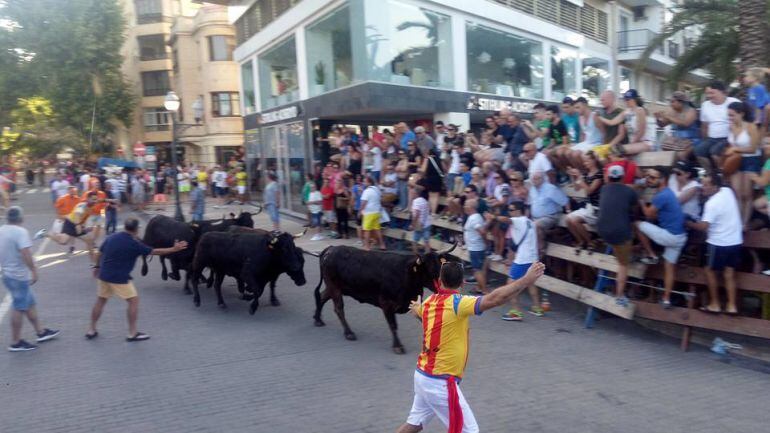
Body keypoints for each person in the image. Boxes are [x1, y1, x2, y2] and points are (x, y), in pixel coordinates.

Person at [397, 260, 545, 433]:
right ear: (462, 283)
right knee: (470, 431)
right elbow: (496, 299)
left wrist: (417, 310)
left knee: (414, 424)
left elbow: (426, 319)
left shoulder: (429, 302)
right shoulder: (458, 303)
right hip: (440, 382)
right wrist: (526, 280)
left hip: (422, 376)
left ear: (440, 280)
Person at [87, 218, 188, 342]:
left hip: (104, 274)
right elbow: (155, 251)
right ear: (136, 229)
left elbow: (99, 253)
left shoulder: (112, 237)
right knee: (133, 301)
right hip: (119, 277)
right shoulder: (134, 244)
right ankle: (132, 333)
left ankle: (91, 330)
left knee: (101, 300)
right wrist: (174, 249)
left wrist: (97, 267)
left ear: (125, 227)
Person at [2, 207, 59, 352]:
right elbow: (25, 253)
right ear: (21, 218)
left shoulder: (2, 230)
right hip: (18, 276)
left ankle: (40, 332)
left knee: (29, 303)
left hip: (9, 274)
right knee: (19, 307)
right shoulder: (20, 232)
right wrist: (33, 270)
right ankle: (15, 342)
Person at [685, 174, 742, 314]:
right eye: (702, 184)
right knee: (729, 273)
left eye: (706, 185)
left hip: (718, 243)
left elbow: (703, 227)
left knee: (709, 271)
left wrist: (688, 223)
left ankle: (715, 304)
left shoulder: (712, 204)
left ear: (715, 187)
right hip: (735, 241)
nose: (702, 187)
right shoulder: (727, 191)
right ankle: (732, 306)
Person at [636, 167, 687, 308]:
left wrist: (641, 200)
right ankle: (666, 299)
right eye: (648, 177)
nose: (649, 180)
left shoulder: (662, 195)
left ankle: (651, 255)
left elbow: (648, 214)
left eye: (652, 178)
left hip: (670, 236)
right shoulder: (668, 193)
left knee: (637, 224)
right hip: (680, 237)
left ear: (663, 180)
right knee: (669, 267)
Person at [597, 165, 638, 307]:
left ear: (609, 177)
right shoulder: (629, 191)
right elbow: (635, 210)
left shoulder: (604, 189)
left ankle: (623, 255)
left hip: (602, 230)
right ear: (623, 177)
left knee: (619, 250)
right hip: (620, 232)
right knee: (623, 264)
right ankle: (619, 296)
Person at [500, 201, 543, 321]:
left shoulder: (518, 220)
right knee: (530, 283)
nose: (509, 212)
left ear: (518, 211)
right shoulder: (531, 222)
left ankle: (516, 312)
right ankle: (537, 308)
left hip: (522, 259)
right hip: (533, 258)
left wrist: (493, 217)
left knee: (511, 285)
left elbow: (506, 220)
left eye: (511, 210)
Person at [724, 101, 761, 227]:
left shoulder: (751, 127)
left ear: (741, 114)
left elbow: (753, 149)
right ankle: (738, 221)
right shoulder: (731, 126)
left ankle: (745, 223)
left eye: (732, 115)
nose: (730, 118)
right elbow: (731, 144)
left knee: (747, 194)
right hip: (736, 160)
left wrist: (736, 149)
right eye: (728, 115)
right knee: (737, 193)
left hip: (751, 160)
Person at [38, 191, 100, 259]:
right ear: (88, 199)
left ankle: (93, 261)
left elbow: (84, 218)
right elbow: (77, 214)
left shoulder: (91, 208)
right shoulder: (82, 205)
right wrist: (77, 225)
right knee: (63, 242)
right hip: (70, 224)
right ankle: (46, 234)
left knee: (89, 240)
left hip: (78, 225)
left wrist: (86, 227)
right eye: (93, 199)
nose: (95, 201)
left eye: (96, 199)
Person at [696, 80, 741, 170]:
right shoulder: (705, 105)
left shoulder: (734, 102)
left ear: (722, 92)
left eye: (712, 93)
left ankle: (722, 172)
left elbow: (742, 120)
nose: (709, 96)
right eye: (707, 93)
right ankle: (710, 173)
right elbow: (704, 126)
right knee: (698, 151)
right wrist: (705, 140)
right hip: (712, 138)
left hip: (728, 137)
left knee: (714, 152)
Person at [596, 89, 656, 156]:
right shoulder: (626, 112)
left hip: (645, 142)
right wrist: (599, 117)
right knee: (611, 151)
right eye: (625, 99)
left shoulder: (640, 110)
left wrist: (632, 143)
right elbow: (612, 122)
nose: (626, 101)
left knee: (617, 150)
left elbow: (641, 132)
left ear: (634, 99)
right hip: (634, 143)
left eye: (628, 99)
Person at [565, 151, 603, 251]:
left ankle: (591, 242)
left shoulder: (599, 174)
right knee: (568, 219)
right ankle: (581, 241)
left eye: (587, 160)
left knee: (575, 220)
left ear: (594, 160)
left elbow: (589, 191)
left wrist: (580, 178)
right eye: (584, 161)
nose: (585, 163)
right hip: (589, 207)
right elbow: (577, 188)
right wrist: (573, 176)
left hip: (597, 209)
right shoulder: (586, 174)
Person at [528, 171, 568, 258]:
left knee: (535, 225)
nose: (534, 181)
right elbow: (531, 204)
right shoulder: (532, 189)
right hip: (535, 218)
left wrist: (569, 212)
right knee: (526, 225)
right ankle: (532, 253)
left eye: (537, 178)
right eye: (533, 179)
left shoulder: (550, 188)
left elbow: (565, 201)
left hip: (550, 216)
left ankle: (541, 249)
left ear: (542, 179)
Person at [655, 91, 700, 161]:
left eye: (673, 102)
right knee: (664, 148)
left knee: (680, 155)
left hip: (692, 139)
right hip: (677, 139)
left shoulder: (691, 111)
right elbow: (662, 125)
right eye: (670, 102)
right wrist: (658, 118)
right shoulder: (672, 111)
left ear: (681, 102)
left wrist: (669, 117)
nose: (671, 104)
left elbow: (686, 123)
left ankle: (683, 166)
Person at [593, 90, 627, 161]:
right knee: (591, 156)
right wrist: (596, 119)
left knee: (602, 158)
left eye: (603, 100)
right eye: (600, 100)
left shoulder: (620, 112)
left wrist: (608, 146)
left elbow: (621, 135)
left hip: (618, 145)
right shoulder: (602, 112)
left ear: (611, 99)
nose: (601, 102)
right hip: (606, 144)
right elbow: (603, 131)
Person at [463, 198, 488, 294]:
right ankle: (479, 288)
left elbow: (482, 231)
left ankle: (485, 291)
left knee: (477, 270)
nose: (464, 207)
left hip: (475, 249)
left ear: (471, 207)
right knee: (479, 269)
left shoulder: (474, 218)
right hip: (476, 247)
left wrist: (485, 242)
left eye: (466, 205)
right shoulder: (474, 217)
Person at [360, 175, 386, 251]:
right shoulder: (377, 189)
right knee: (377, 230)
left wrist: (360, 211)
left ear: (369, 182)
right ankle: (382, 245)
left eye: (365, 181)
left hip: (369, 213)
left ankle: (367, 246)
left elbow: (363, 203)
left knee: (367, 230)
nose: (363, 183)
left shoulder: (366, 191)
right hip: (377, 212)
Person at [410, 186, 431, 253]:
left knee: (414, 241)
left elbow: (417, 214)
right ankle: (428, 256)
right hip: (427, 224)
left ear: (416, 193)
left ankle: (416, 256)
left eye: (412, 193)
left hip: (419, 224)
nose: (411, 194)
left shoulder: (416, 201)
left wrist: (412, 224)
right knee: (426, 241)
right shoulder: (425, 200)